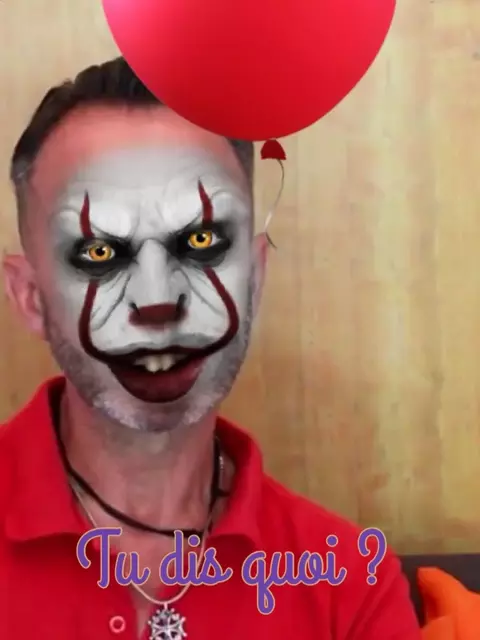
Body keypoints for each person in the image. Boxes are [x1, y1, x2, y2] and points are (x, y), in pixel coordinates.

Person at [0, 57, 421, 640]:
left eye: (201, 241)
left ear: (256, 276)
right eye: (100, 253)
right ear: (30, 298)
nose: (157, 301)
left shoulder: (350, 586)